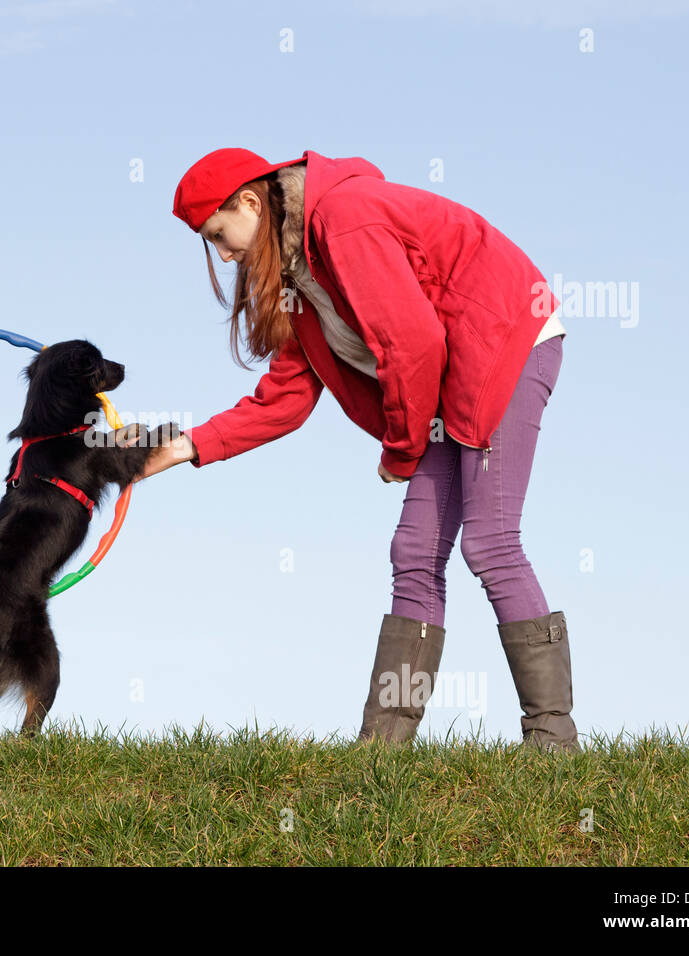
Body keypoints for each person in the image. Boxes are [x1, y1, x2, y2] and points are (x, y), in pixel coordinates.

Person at [139, 148, 579, 752]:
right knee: (414, 549)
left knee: (489, 540)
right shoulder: (299, 274)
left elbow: (415, 343)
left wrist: (401, 450)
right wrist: (184, 448)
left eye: (219, 234)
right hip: (449, 377)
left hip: (503, 339)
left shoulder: (343, 219)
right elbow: (285, 398)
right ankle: (382, 749)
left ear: (248, 202)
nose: (223, 253)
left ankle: (553, 740)